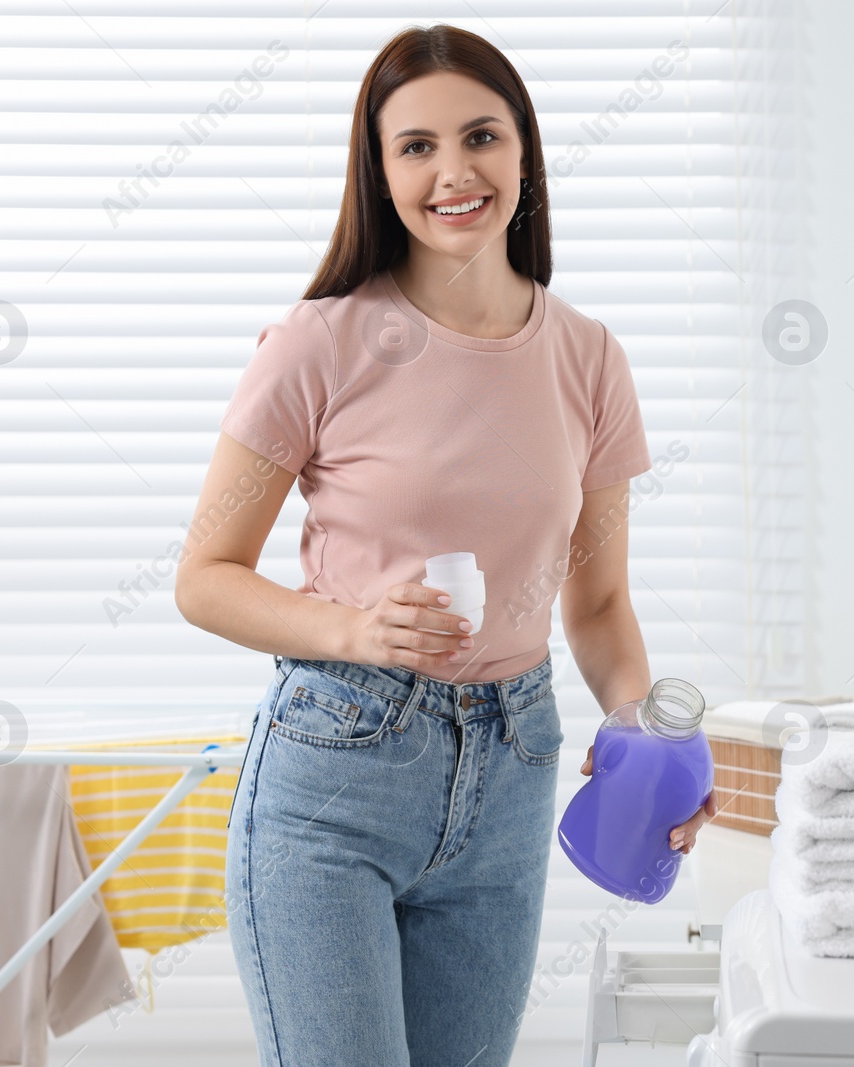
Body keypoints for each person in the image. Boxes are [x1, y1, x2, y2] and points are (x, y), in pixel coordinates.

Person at [174, 24, 717, 1067]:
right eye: (414, 146)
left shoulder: (590, 358)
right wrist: (351, 626)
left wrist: (644, 737)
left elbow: (598, 606)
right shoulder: (318, 341)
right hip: (334, 775)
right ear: (379, 174)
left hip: (512, 768)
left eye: (481, 136)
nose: (453, 171)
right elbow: (204, 578)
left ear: (525, 153)